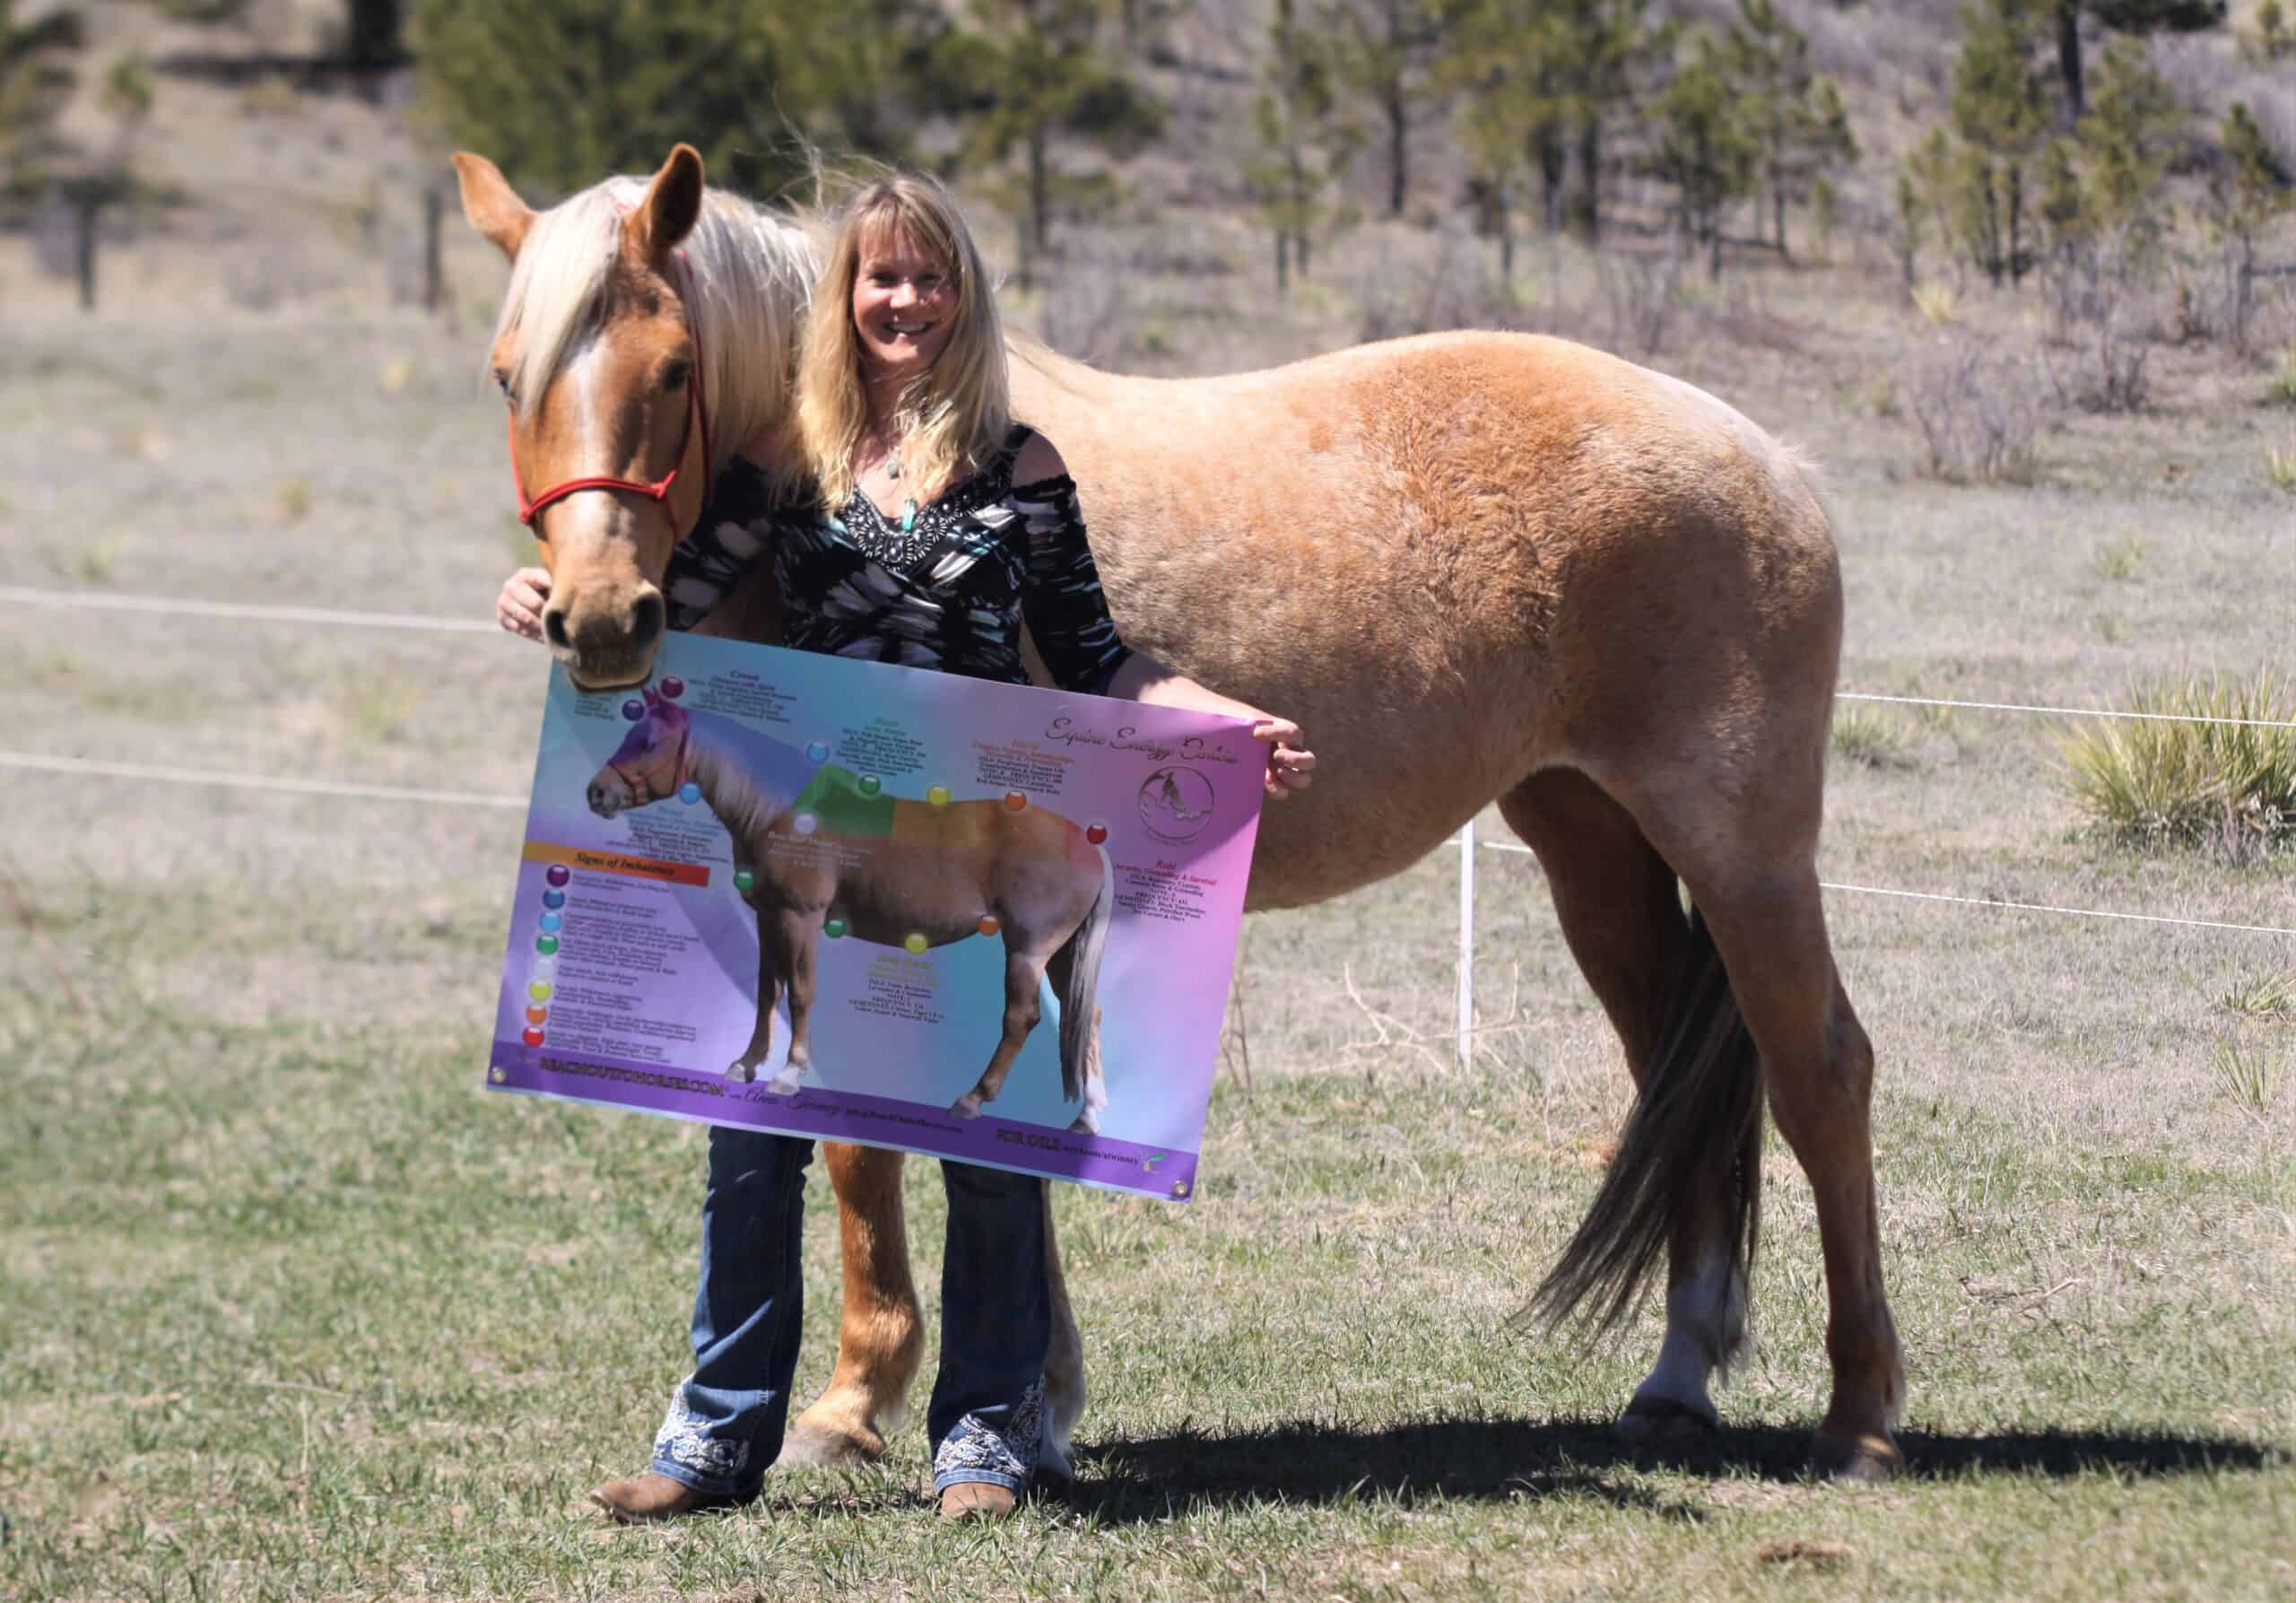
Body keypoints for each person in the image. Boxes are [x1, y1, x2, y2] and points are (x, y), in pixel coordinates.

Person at [497, 174, 1314, 1523]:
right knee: (750, 1119)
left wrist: (1216, 718)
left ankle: (988, 1435)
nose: (904, 302)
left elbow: (1104, 657)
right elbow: (671, 615)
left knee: (988, 1129)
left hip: (965, 827)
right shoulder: (783, 470)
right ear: (846, 297)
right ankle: (715, 1434)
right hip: (831, 823)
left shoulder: (1020, 467)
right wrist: (549, 593)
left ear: (964, 297)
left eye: (930, 278)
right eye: (880, 277)